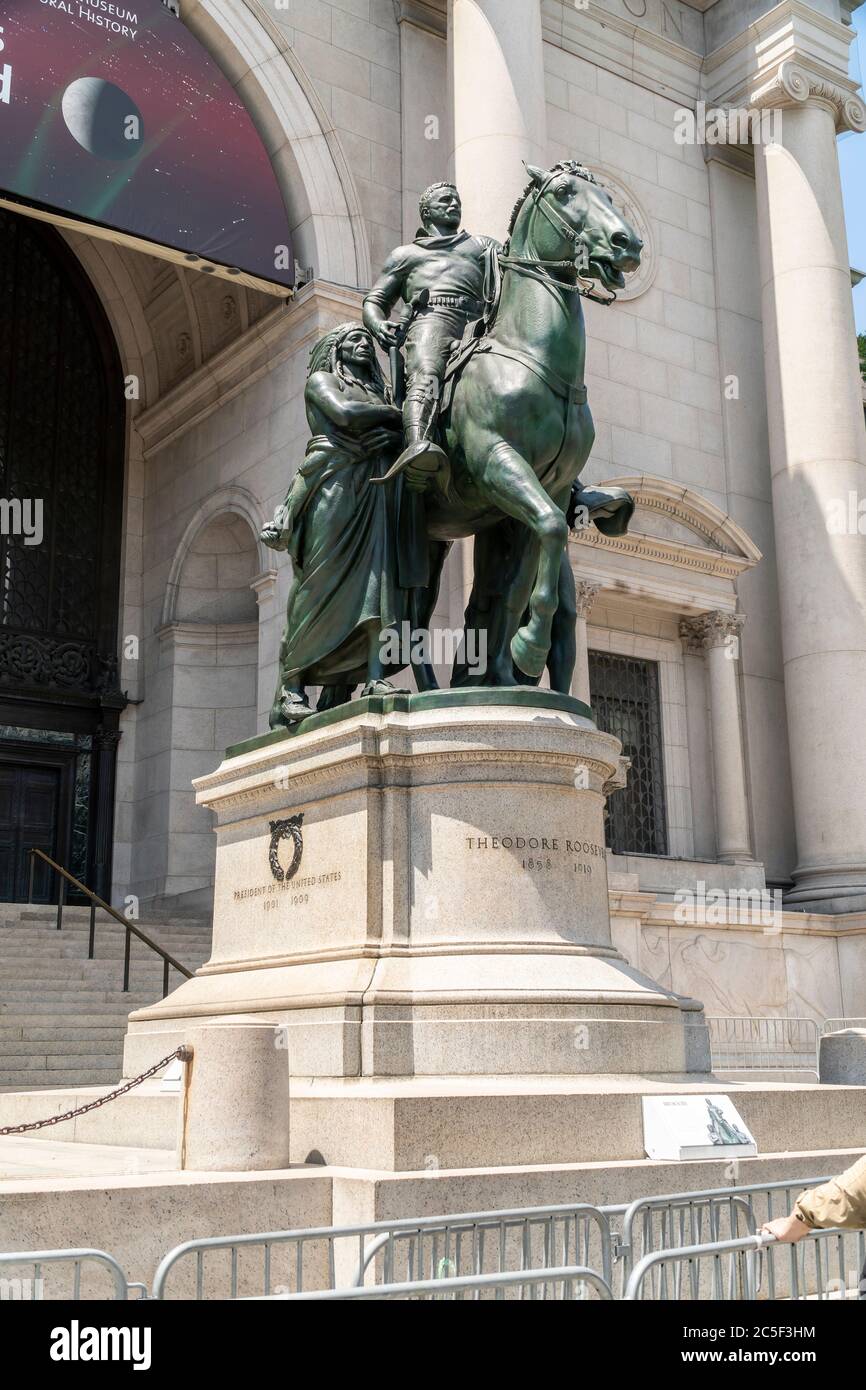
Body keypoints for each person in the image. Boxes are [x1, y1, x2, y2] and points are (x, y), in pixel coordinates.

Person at [261, 323, 416, 727]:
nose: (363, 344)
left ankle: (374, 678)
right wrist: (395, 413)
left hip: (375, 490)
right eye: (353, 339)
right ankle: (290, 690)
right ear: (335, 349)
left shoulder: (379, 392)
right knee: (319, 584)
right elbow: (345, 415)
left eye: (367, 340)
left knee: (377, 586)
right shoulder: (321, 380)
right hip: (334, 486)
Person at [362, 181, 499, 485]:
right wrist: (378, 324)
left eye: (457, 200)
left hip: (479, 322)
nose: (454, 204)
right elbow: (375, 300)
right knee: (427, 374)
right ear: (426, 212)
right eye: (445, 200)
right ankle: (417, 448)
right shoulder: (406, 255)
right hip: (432, 319)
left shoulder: (482, 247)